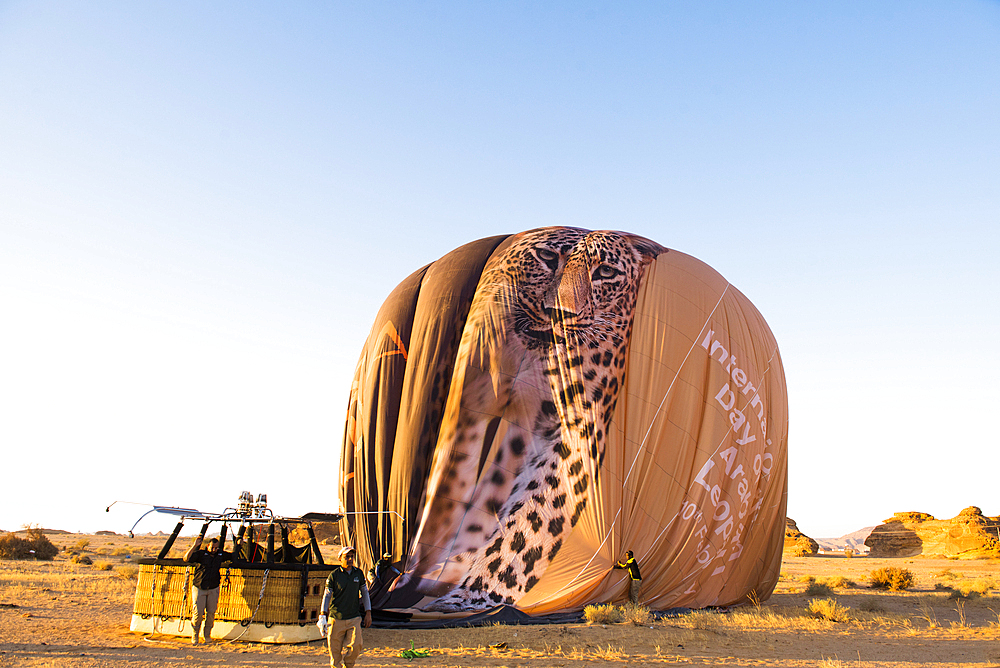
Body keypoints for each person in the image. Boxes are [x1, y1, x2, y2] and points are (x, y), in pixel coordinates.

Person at [317, 546, 372, 668]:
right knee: (335, 651)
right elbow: (327, 595)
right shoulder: (334, 575)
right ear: (340, 559)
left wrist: (368, 612)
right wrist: (322, 614)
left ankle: (349, 664)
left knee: (356, 645)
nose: (350, 559)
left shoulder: (358, 573)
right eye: (346, 557)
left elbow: (365, 593)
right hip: (336, 618)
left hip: (354, 617)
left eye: (352, 557)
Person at [183, 534, 234, 644]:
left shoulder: (220, 555)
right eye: (212, 547)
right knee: (198, 613)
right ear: (207, 546)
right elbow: (186, 558)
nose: (214, 550)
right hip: (199, 587)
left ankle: (207, 635)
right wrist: (194, 545)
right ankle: (195, 635)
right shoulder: (201, 555)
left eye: (216, 547)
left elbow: (233, 556)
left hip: (213, 588)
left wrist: (238, 545)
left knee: (211, 613)